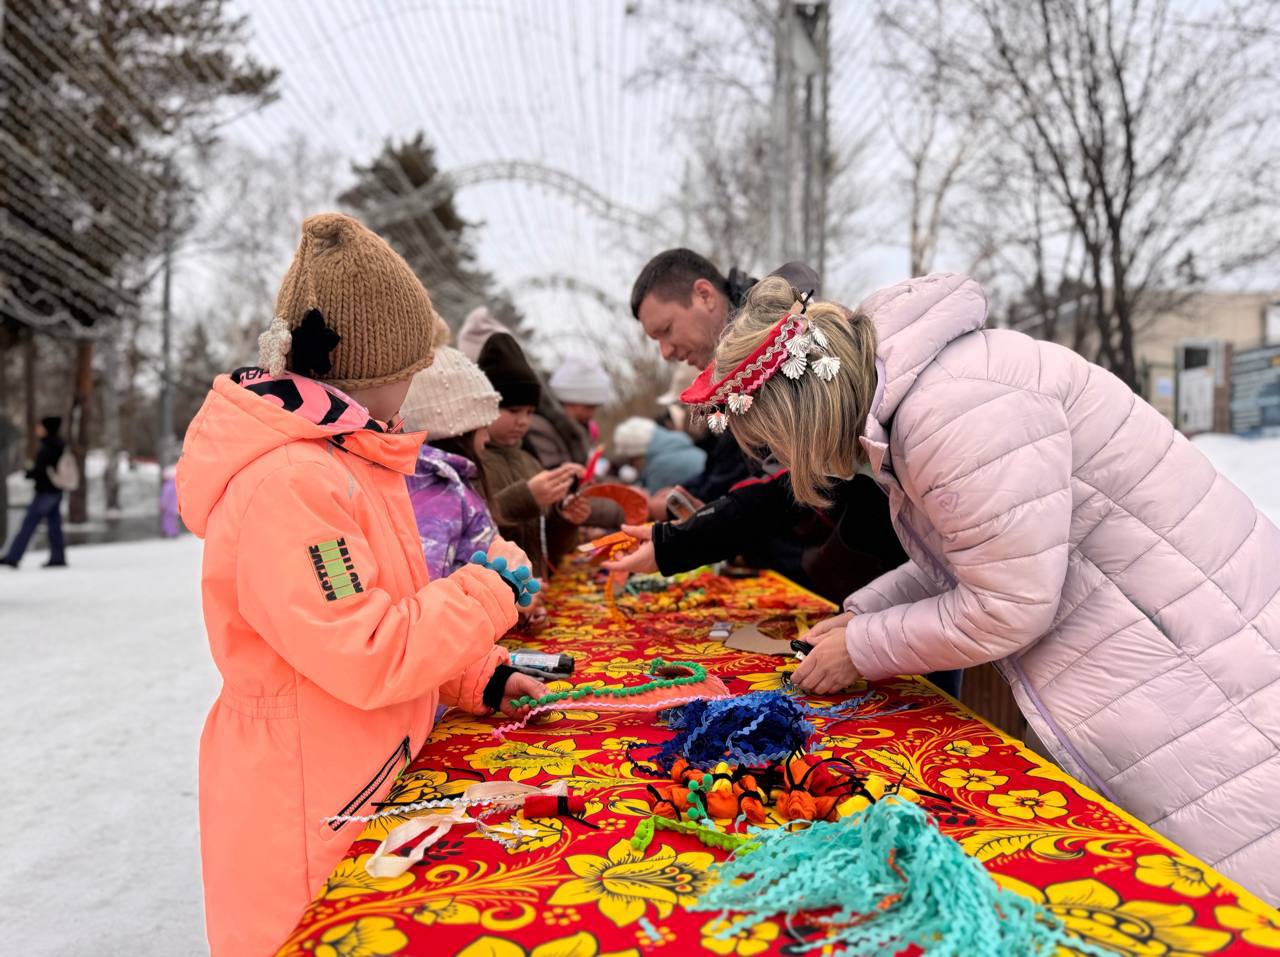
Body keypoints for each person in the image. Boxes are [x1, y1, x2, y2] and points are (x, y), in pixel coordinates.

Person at [698, 272, 1280, 902]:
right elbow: (971, 557)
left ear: (802, 416)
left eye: (774, 446)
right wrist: (859, 616)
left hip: (1199, 668)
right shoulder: (923, 400)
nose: (782, 465)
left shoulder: (953, 411)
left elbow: (1008, 604)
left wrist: (862, 647)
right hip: (1160, 651)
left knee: (1223, 891)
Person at [175, 213, 545, 955]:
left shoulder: (345, 459)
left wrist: (473, 674)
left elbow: (385, 605)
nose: (417, 381)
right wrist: (484, 593)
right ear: (370, 370)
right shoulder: (294, 483)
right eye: (411, 364)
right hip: (306, 801)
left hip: (353, 770)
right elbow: (367, 649)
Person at [477, 332, 592, 577]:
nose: (523, 421)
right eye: (513, 410)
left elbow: (549, 550)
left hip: (534, 599)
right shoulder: (472, 465)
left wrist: (565, 519)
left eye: (529, 412)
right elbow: (472, 532)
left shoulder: (531, 463)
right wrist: (526, 498)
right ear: (484, 407)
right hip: (491, 603)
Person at [400, 342, 503, 579]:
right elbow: (432, 584)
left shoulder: (451, 483)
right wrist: (508, 598)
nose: (487, 437)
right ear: (460, 431)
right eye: (482, 427)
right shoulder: (439, 496)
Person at [1, 416, 68, 569]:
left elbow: (41, 470)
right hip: (55, 491)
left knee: (29, 523)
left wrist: (29, 472)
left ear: (47, 428)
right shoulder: (58, 444)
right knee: (54, 526)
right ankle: (58, 557)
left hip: (46, 492)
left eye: (40, 426)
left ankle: (13, 556)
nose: (37, 429)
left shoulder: (49, 446)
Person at [525, 355, 610, 469]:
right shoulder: (539, 428)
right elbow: (555, 474)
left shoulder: (577, 429)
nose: (591, 415)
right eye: (588, 407)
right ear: (568, 400)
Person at [611, 416, 707, 493]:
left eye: (632, 461)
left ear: (639, 455)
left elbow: (651, 503)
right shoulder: (675, 446)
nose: (634, 467)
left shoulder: (659, 466)